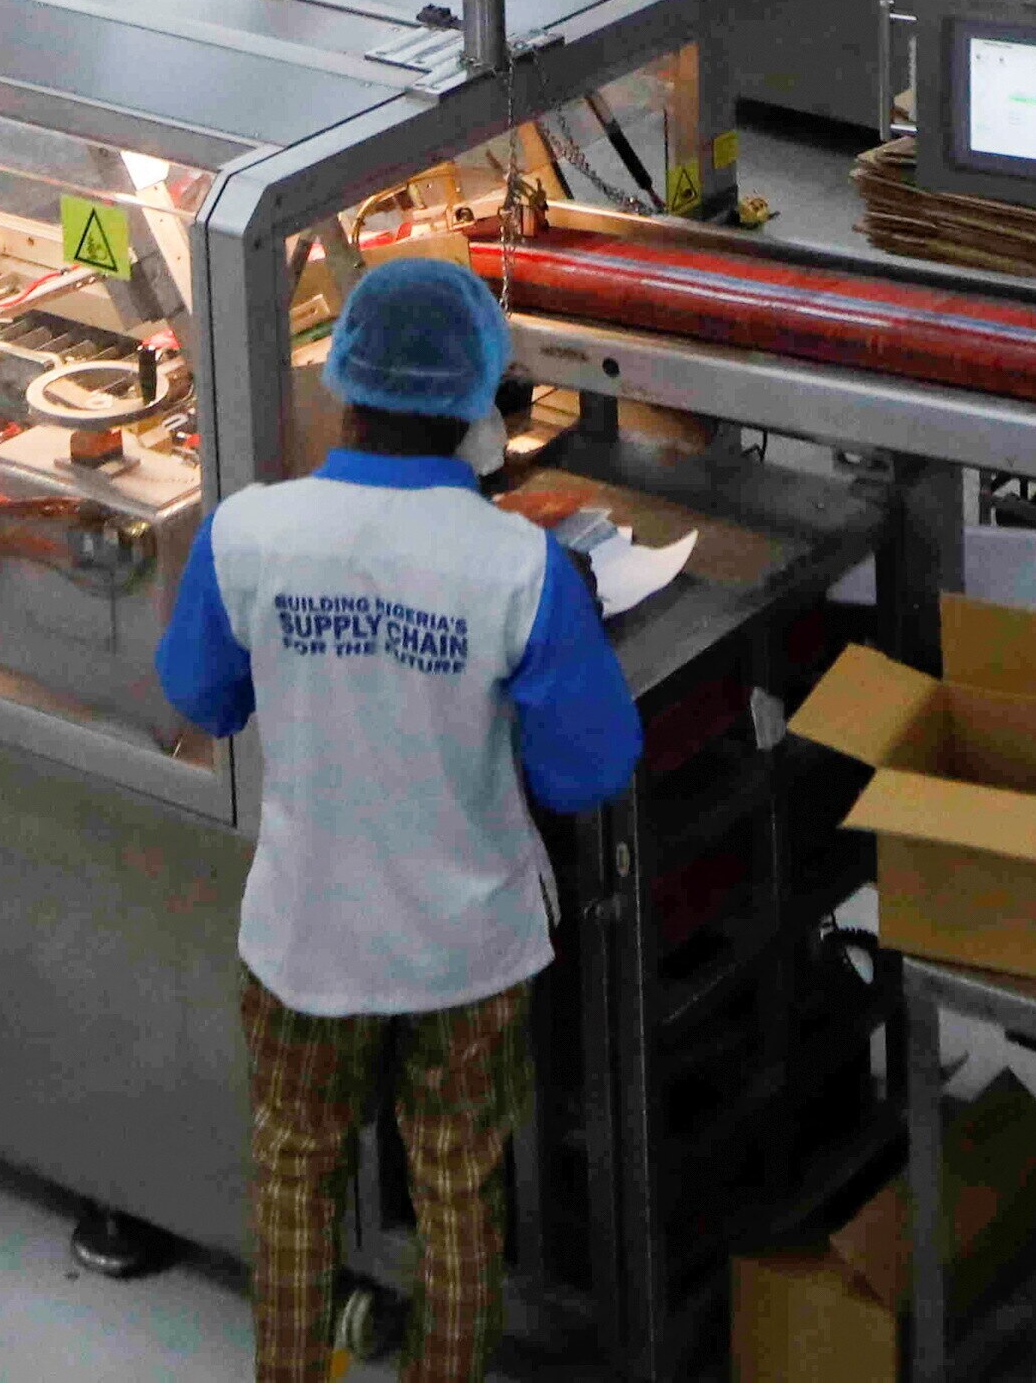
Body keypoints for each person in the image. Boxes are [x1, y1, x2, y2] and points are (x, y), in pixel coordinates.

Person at [156, 254, 636, 1383]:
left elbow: (201, 697)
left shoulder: (247, 535)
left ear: (343, 381)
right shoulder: (520, 568)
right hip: (462, 950)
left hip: (302, 939)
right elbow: (589, 771)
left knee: (293, 1173)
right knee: (459, 1192)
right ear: (479, 402)